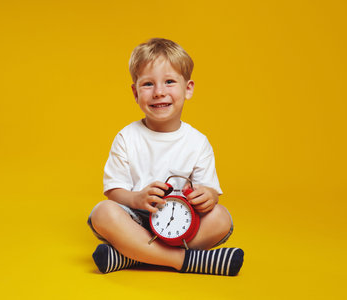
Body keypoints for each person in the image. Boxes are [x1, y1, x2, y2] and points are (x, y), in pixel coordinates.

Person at [88, 38, 244, 276]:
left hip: (182, 223)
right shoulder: (127, 137)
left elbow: (210, 192)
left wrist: (207, 196)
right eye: (148, 84)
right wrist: (137, 199)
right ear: (135, 92)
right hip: (137, 220)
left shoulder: (198, 142)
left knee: (222, 218)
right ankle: (186, 261)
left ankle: (131, 257)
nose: (159, 92)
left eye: (169, 82)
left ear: (188, 88)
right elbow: (113, 190)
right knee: (102, 212)